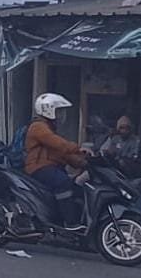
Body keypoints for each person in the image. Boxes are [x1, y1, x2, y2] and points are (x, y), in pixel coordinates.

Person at [24, 93, 88, 227]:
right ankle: (70, 223)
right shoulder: (38, 126)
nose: (61, 115)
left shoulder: (49, 128)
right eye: (58, 111)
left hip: (51, 167)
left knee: (76, 187)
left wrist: (82, 162)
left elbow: (62, 153)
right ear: (48, 110)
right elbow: (59, 144)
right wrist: (78, 148)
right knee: (63, 182)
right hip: (38, 167)